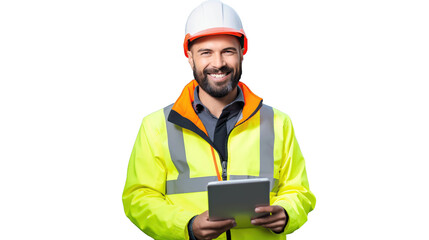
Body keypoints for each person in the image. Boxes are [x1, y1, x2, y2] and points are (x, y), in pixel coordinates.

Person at [122, 0, 316, 239]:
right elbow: (138, 198)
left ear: (242, 54)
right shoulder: (156, 126)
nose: (218, 63)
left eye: (228, 51)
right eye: (206, 52)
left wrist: (286, 213)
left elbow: (299, 191)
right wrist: (188, 225)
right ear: (190, 57)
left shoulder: (278, 122)